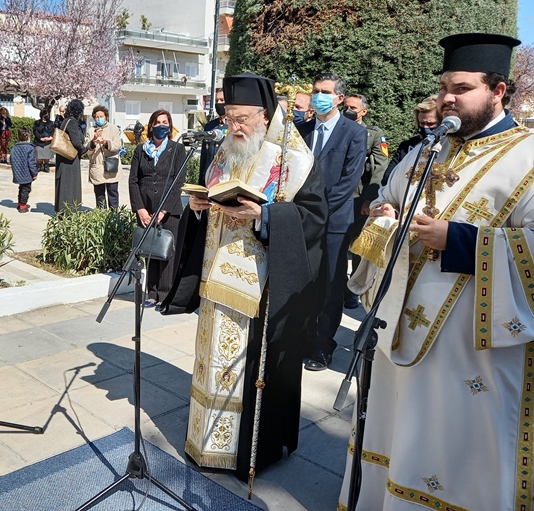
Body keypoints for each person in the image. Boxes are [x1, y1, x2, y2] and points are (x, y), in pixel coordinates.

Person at [339, 33, 532, 510]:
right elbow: (387, 200)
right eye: (445, 85)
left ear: (498, 91)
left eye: (461, 88)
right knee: (395, 434)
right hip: (400, 332)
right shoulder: (428, 151)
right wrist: (383, 214)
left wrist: (461, 240)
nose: (448, 96)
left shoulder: (528, 157)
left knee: (457, 452)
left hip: (472, 347)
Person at [170, 73, 327, 479]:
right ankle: (206, 443)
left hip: (259, 285)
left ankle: (243, 452)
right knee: (212, 360)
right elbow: (215, 192)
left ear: (265, 115)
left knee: (245, 366)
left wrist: (266, 215)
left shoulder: (293, 157)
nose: (234, 126)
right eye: (228, 116)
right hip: (215, 276)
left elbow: (314, 219)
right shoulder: (225, 150)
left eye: (241, 118)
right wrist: (202, 205)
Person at [297, 73, 367, 371]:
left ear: (339, 98)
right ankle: (301, 338)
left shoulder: (354, 133)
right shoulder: (302, 129)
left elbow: (349, 180)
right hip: (300, 220)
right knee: (304, 283)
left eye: (325, 92)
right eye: (315, 91)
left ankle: (324, 346)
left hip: (334, 222)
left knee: (329, 285)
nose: (318, 96)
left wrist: (318, 211)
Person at [129, 109, 187, 310]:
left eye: (165, 122)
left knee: (167, 253)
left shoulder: (177, 150)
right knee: (150, 252)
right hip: (146, 207)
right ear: (151, 125)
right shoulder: (140, 150)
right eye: (157, 122)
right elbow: (133, 181)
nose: (161, 125)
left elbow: (178, 182)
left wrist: (163, 211)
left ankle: (165, 295)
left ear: (169, 126)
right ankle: (152, 293)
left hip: (169, 209)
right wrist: (140, 209)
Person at [342, 93, 389, 308]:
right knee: (337, 243)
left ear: (364, 111)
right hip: (337, 196)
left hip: (358, 196)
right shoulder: (337, 127)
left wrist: (369, 200)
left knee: (358, 243)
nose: (348, 110)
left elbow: (380, 167)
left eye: (353, 107)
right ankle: (335, 283)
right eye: (346, 106)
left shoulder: (373, 134)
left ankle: (353, 288)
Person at [382, 94, 440, 185]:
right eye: (422, 123)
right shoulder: (407, 146)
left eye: (430, 124)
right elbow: (387, 178)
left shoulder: (451, 147)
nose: (425, 127)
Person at [85, 105, 122, 209]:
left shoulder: (113, 128)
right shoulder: (90, 130)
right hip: (97, 168)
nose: (98, 118)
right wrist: (93, 141)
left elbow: (117, 146)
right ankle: (102, 217)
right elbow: (87, 151)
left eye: (101, 116)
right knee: (99, 196)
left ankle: (114, 218)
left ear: (106, 117)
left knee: (113, 194)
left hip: (112, 166)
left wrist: (105, 142)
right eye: (96, 117)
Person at [54, 99, 87, 212]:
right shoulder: (72, 122)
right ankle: (70, 210)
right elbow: (76, 141)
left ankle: (62, 208)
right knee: (70, 184)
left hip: (63, 156)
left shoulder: (66, 120)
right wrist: (84, 150)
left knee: (63, 183)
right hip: (69, 158)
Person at [198, 88, 228, 185]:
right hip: (208, 181)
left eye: (222, 100)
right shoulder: (210, 126)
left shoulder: (234, 127)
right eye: (216, 100)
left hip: (224, 181)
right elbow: (204, 158)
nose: (219, 103)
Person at [10, 127, 38, 213]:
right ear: (28, 137)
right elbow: (31, 162)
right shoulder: (30, 148)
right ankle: (22, 205)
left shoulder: (14, 148)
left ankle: (20, 202)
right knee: (26, 189)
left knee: (21, 188)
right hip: (27, 173)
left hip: (18, 171)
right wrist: (34, 173)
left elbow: (11, 159)